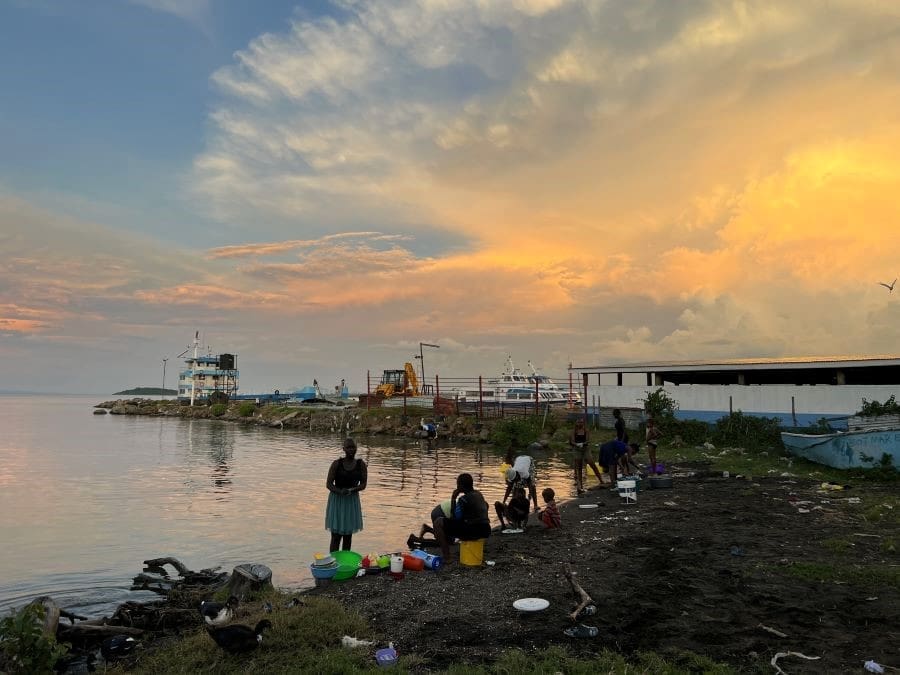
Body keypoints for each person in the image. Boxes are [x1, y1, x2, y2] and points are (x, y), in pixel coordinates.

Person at [433, 473, 491, 559]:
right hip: (486, 530)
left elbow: (454, 518)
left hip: (475, 530)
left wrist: (453, 498)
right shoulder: (479, 494)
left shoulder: (463, 499)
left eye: (458, 485)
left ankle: (447, 556)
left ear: (461, 486)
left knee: (438, 522)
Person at [325, 437, 367, 552]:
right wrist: (340, 491)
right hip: (337, 500)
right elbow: (328, 484)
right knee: (336, 536)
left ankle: (345, 562)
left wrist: (352, 490)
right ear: (343, 449)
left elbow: (363, 485)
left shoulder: (360, 464)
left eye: (353, 447)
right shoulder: (336, 464)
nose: (351, 450)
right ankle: (333, 562)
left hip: (351, 500)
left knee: (348, 536)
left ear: (356, 448)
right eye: (348, 447)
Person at [569, 417, 604, 494]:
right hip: (577, 449)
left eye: (581, 422)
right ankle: (580, 486)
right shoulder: (573, 431)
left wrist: (583, 444)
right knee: (579, 467)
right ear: (576, 423)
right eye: (578, 422)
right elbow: (572, 441)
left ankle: (601, 480)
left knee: (591, 463)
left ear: (583, 423)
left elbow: (588, 440)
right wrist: (577, 444)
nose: (580, 424)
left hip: (585, 449)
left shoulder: (586, 431)